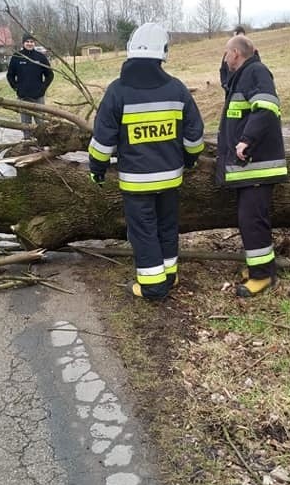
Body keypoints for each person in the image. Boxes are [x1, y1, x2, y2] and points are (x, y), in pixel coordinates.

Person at [88, 23, 205, 301]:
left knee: (143, 233)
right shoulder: (177, 90)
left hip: (136, 182)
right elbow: (194, 136)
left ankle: (153, 287)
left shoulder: (117, 91)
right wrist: (190, 160)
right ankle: (170, 277)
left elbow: (103, 141)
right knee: (167, 227)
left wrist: (97, 169)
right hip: (171, 178)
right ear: (162, 53)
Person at [217, 33, 287, 297]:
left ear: (235, 54)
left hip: (258, 164)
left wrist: (246, 140)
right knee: (250, 221)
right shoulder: (241, 76)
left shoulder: (256, 72)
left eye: (226, 54)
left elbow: (266, 108)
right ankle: (260, 268)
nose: (224, 59)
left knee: (253, 221)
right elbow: (227, 81)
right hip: (249, 166)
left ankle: (263, 277)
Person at [6, 33, 54, 139]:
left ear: (34, 43)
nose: (29, 44)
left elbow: (50, 74)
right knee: (25, 123)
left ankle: (41, 142)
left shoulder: (40, 57)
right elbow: (10, 75)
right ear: (23, 43)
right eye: (27, 42)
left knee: (40, 122)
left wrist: (43, 88)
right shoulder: (17, 56)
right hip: (23, 97)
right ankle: (28, 142)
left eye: (31, 42)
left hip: (38, 97)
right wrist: (16, 88)